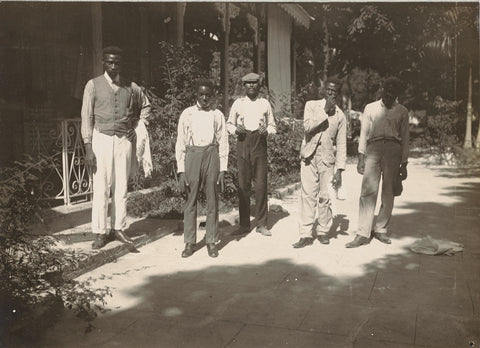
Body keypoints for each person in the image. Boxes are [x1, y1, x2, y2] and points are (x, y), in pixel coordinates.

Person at [81, 46, 151, 250]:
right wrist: (88, 147)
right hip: (100, 138)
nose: (113, 66)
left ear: (121, 63)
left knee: (121, 187)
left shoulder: (131, 86)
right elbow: (86, 117)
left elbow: (146, 105)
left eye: (116, 62)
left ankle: (119, 228)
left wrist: (137, 125)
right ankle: (100, 232)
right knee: (101, 187)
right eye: (109, 62)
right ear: (103, 62)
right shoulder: (92, 85)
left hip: (123, 140)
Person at [346, 77, 409, 248]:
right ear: (382, 90)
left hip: (393, 151)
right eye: (386, 90)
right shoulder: (370, 108)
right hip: (374, 149)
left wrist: (404, 163)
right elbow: (364, 132)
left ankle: (381, 229)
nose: (389, 94)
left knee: (389, 191)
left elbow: (405, 138)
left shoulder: (402, 111)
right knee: (368, 190)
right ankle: (362, 233)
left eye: (393, 92)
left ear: (396, 94)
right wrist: (360, 157)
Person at [176, 78, 228, 258]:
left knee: (212, 198)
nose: (204, 98)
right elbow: (180, 143)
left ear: (212, 95)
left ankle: (211, 241)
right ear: (196, 95)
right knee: (191, 199)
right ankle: (189, 242)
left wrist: (223, 169)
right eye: (201, 94)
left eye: (208, 95)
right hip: (192, 155)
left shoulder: (217, 114)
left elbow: (223, 142)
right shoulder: (187, 114)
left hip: (211, 154)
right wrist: (181, 171)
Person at [293, 78, 347, 248]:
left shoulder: (340, 116)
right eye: (328, 90)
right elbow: (308, 127)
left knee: (325, 197)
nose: (331, 93)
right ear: (324, 90)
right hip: (309, 157)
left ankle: (323, 231)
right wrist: (324, 111)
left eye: (334, 91)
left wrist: (339, 170)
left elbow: (341, 144)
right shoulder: (312, 105)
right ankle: (305, 234)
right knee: (307, 196)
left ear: (338, 93)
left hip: (327, 161)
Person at [227, 73, 276, 236]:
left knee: (261, 184)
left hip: (259, 144)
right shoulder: (238, 104)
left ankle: (262, 224)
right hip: (242, 143)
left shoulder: (265, 104)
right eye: (248, 83)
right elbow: (229, 124)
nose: (251, 86)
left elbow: (273, 126)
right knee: (243, 185)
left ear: (259, 86)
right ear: (244, 86)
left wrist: (267, 131)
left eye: (254, 83)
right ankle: (244, 225)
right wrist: (235, 129)